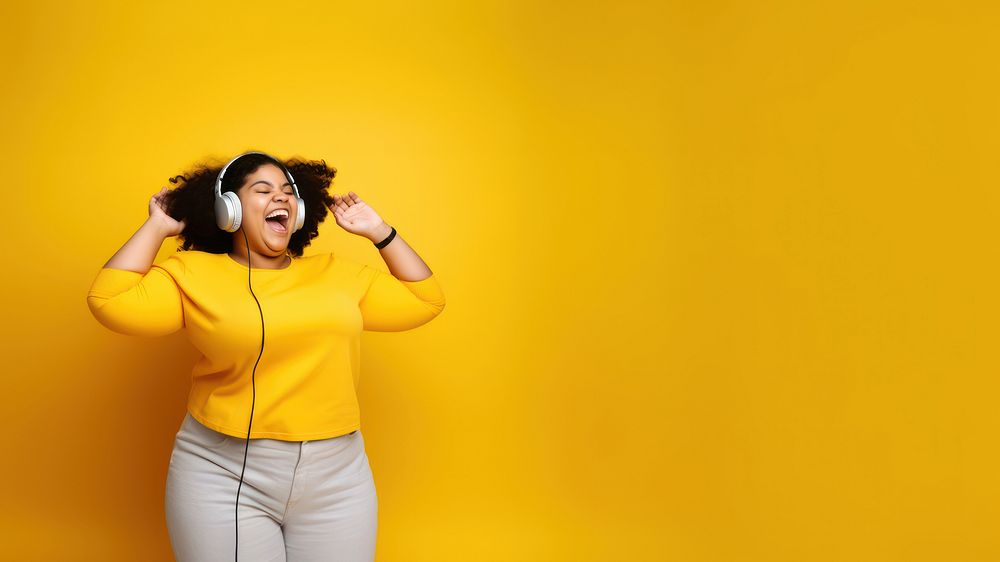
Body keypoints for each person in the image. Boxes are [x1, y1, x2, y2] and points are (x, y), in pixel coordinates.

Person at [86, 151, 446, 561]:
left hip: (339, 473)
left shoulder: (337, 273)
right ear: (230, 210)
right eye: (264, 190)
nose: (282, 198)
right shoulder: (192, 273)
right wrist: (157, 227)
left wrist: (379, 231)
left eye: (289, 192)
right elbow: (108, 301)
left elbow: (426, 300)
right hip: (223, 470)